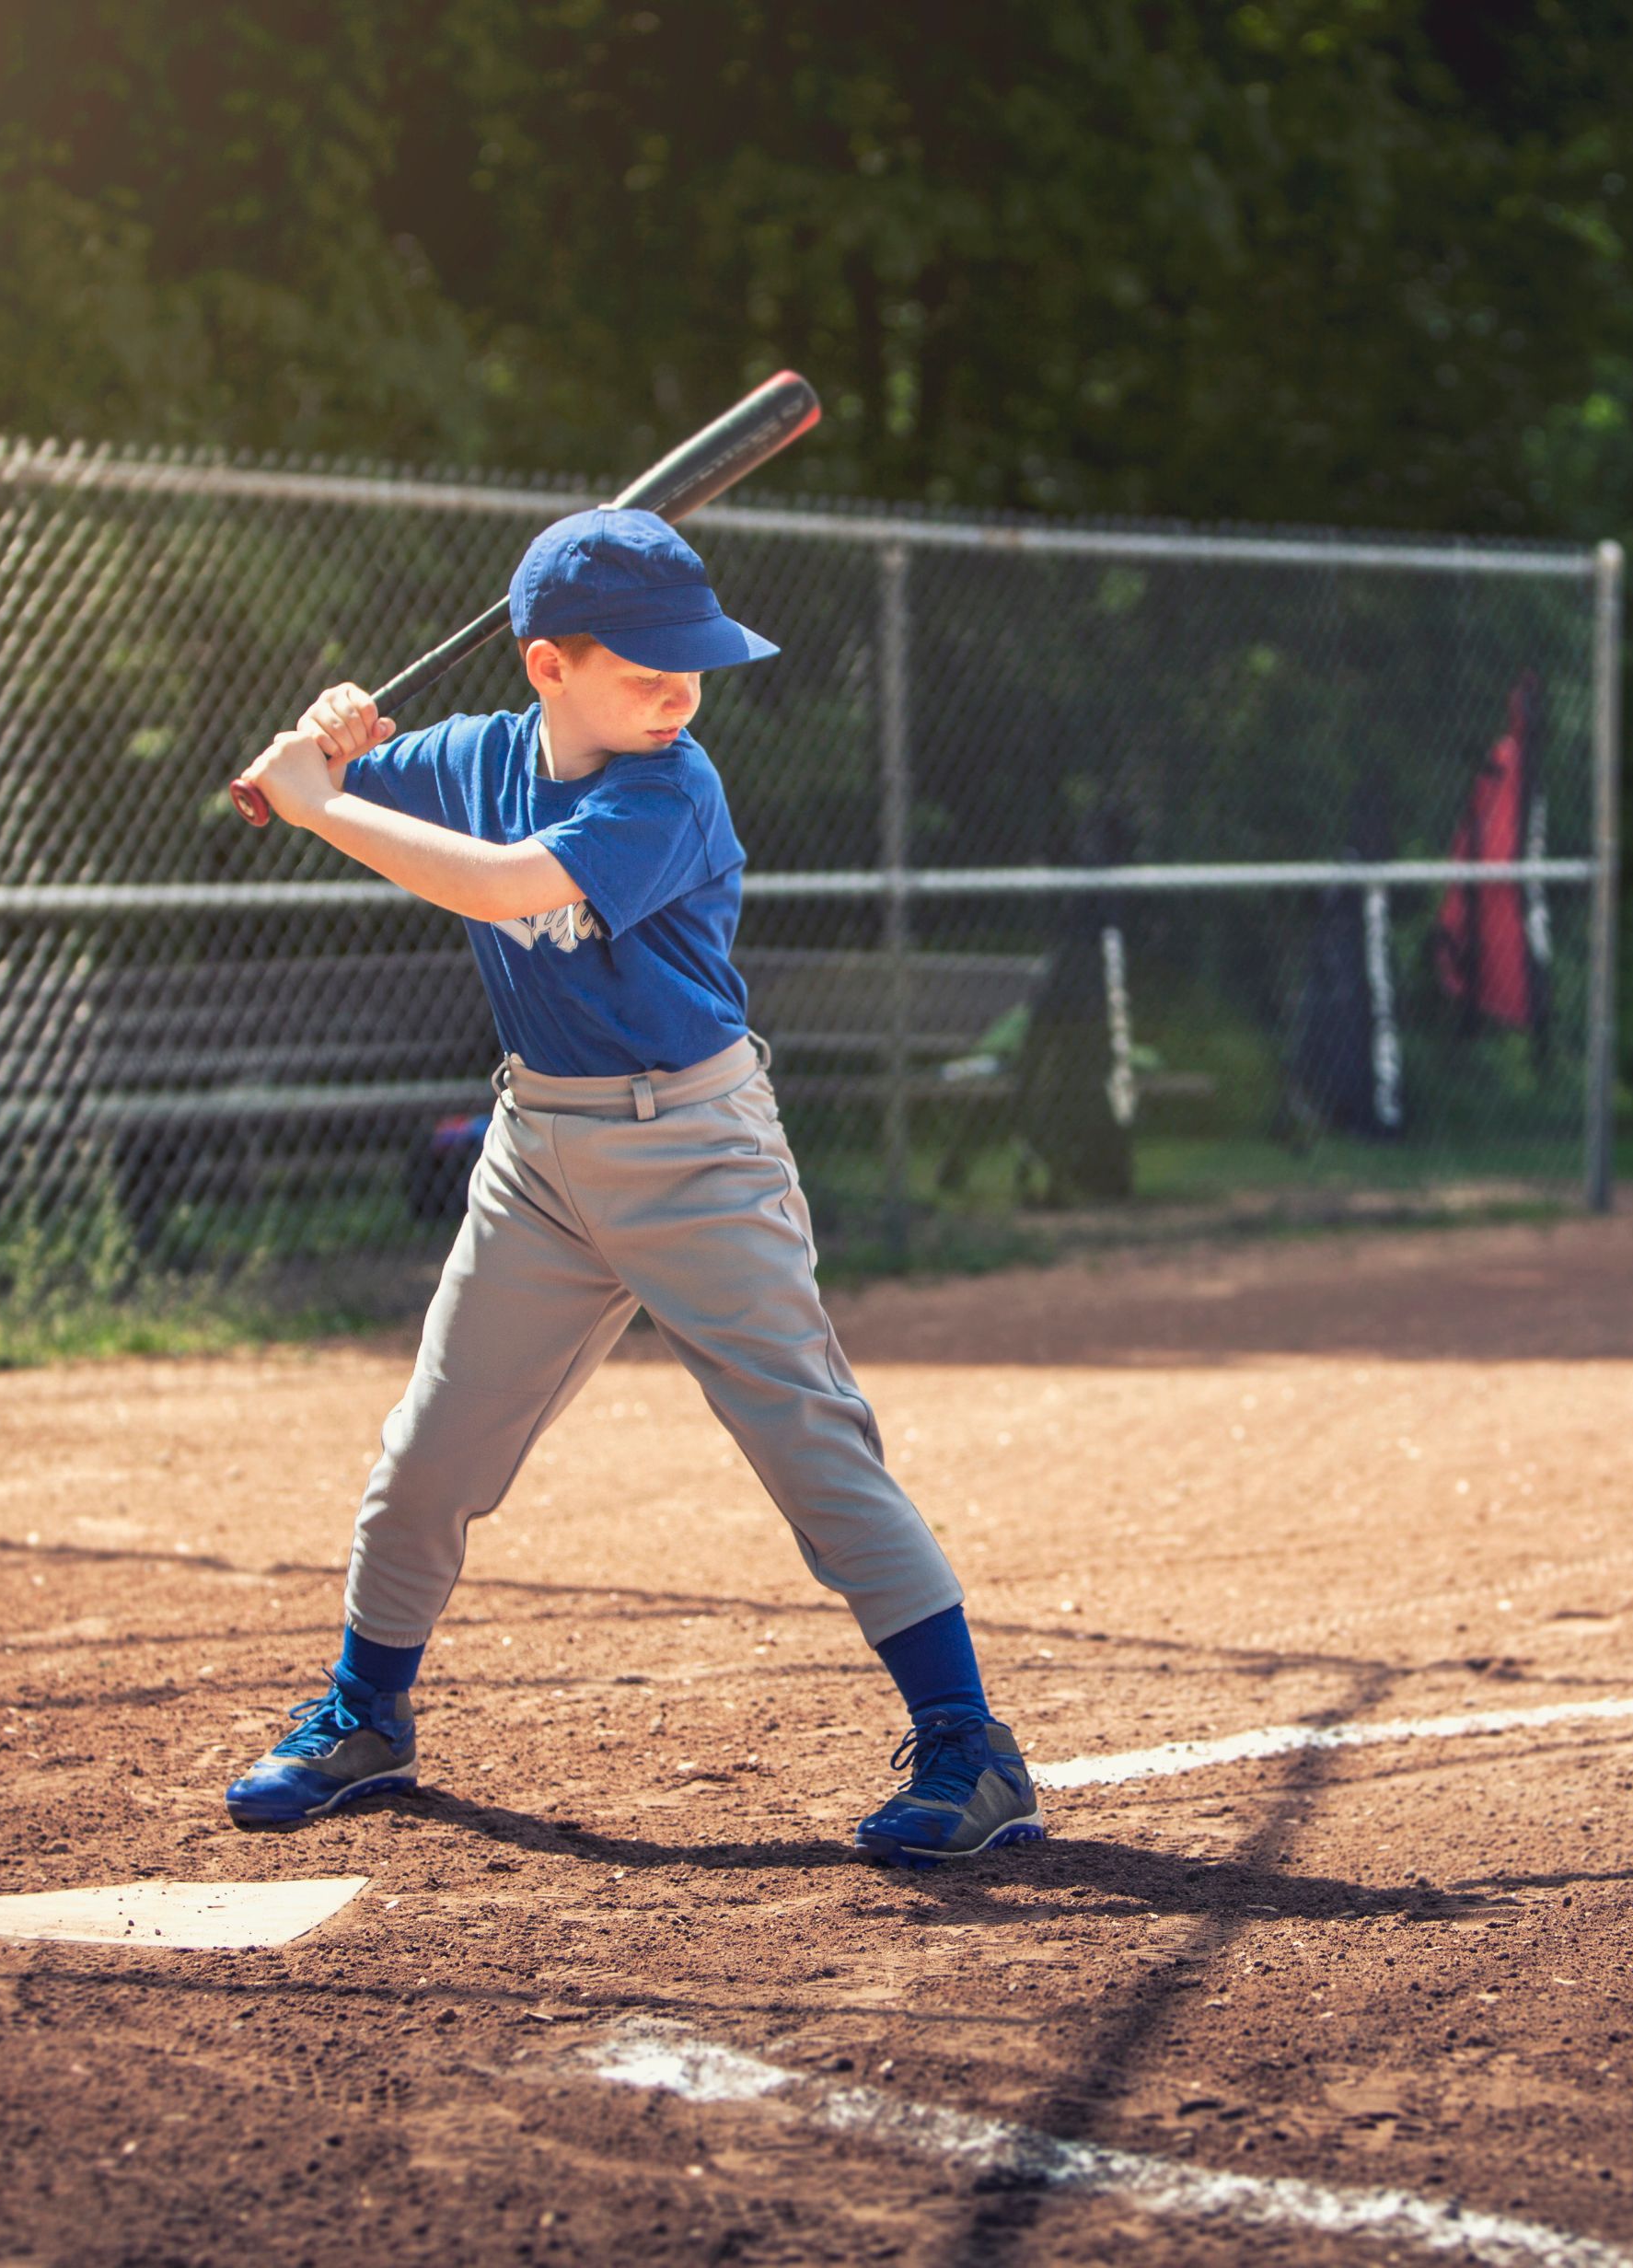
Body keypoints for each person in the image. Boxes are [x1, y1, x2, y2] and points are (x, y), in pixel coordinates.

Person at [220, 507, 1040, 1869]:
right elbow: (348, 774)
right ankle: (366, 1717)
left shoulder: (670, 789)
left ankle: (972, 1749)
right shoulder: (477, 754)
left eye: (693, 665)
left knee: (810, 1446)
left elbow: (501, 891)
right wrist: (329, 747)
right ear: (547, 666)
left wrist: (324, 806)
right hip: (538, 1153)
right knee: (429, 1456)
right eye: (645, 668)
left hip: (696, 1151)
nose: (680, 692)